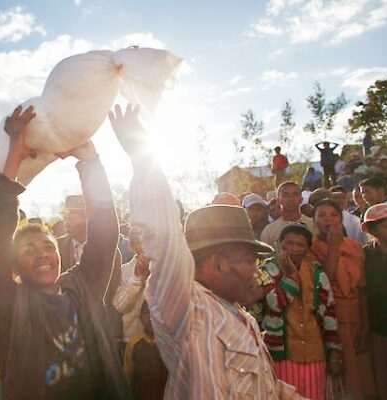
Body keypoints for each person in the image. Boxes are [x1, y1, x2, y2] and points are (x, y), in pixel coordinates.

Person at [111, 103, 302, 398]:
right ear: (218, 262)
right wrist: (141, 155)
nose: (256, 271)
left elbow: (263, 386)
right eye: (250, 260)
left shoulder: (242, 317)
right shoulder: (188, 309)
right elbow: (164, 238)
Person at [0, 105, 130, 399]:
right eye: (28, 250)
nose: (43, 254)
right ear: (14, 267)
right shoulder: (7, 306)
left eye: (48, 246)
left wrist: (89, 161)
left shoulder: (81, 288)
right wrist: (14, 157)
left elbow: (105, 231)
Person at [261, 223, 342, 400]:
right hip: (281, 354)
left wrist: (335, 351)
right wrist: (291, 277)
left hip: (315, 352)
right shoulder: (268, 269)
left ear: (307, 249)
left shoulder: (316, 272)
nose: (294, 249)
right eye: (289, 243)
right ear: (280, 243)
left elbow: (329, 311)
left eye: (300, 245)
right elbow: (275, 304)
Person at [310, 199, 377, 399]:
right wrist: (333, 246)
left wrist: (365, 325)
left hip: (356, 315)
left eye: (333, 214)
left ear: (341, 219)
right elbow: (326, 281)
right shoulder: (311, 248)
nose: (328, 219)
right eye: (321, 215)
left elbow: (362, 287)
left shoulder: (355, 247)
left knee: (362, 376)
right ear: (314, 221)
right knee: (341, 378)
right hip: (331, 318)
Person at [360, 204, 387, 400]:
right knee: (382, 376)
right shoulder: (364, 254)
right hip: (378, 325)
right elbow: (362, 290)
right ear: (372, 230)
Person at [124, 301, 167, 400]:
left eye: (154, 313)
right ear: (140, 317)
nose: (150, 318)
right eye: (146, 313)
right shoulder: (134, 343)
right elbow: (128, 374)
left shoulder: (167, 343)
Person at [113, 226, 150, 345]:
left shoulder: (165, 268)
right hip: (131, 342)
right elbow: (120, 306)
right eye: (142, 242)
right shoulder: (123, 271)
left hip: (160, 342)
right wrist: (136, 279)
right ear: (132, 246)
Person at [261, 181, 317, 251]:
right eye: (285, 195)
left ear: (301, 199)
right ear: (278, 200)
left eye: (295, 194)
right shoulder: (269, 232)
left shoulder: (314, 226)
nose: (290, 198)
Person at [57, 195, 87, 270]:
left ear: (86, 219)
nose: (66, 224)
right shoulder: (57, 246)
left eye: (71, 219)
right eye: (65, 219)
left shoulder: (105, 246)